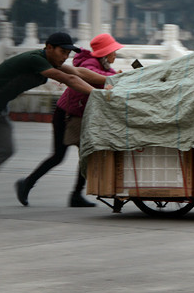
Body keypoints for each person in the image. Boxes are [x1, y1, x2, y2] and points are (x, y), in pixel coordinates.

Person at [0, 32, 108, 216]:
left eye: (68, 53)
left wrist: (112, 82)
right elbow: (70, 79)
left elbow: (79, 72)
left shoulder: (51, 61)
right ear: (49, 47)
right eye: (62, 51)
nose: (65, 56)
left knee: (5, 149)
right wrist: (100, 95)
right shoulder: (35, 59)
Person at [15, 33, 123, 208]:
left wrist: (118, 76)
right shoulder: (90, 64)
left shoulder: (104, 67)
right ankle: (28, 184)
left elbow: (109, 76)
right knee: (60, 156)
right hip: (67, 116)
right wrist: (114, 78)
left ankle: (75, 195)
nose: (115, 55)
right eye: (114, 51)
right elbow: (91, 74)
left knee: (87, 155)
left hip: (78, 116)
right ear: (105, 53)